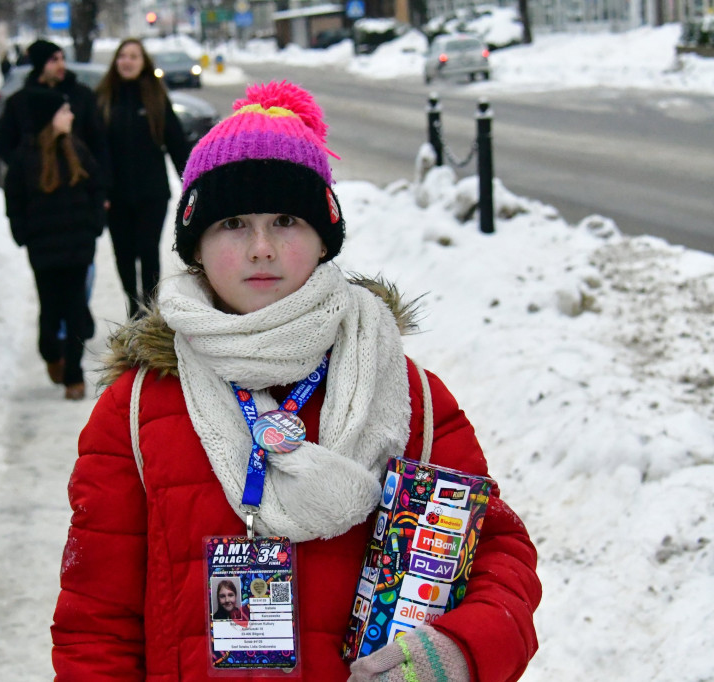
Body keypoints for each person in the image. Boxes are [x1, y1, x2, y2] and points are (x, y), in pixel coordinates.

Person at [51, 82, 541, 679]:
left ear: (323, 237)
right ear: (196, 246)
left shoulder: (405, 394)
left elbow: (496, 553)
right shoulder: (137, 409)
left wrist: (463, 648)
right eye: (233, 222)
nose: (262, 248)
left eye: (285, 220)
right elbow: (96, 621)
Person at [3, 90, 105, 401]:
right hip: (44, 252)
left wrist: (93, 227)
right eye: (64, 111)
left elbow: (95, 189)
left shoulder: (77, 150)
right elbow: (14, 201)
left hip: (77, 248)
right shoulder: (24, 159)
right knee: (50, 311)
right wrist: (24, 235)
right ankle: (51, 353)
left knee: (75, 312)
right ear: (50, 118)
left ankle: (74, 376)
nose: (71, 116)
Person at [96, 38, 190, 318]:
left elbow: (176, 143)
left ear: (143, 62)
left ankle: (150, 313)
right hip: (115, 196)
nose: (127, 61)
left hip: (152, 193)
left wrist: (192, 182)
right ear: (116, 61)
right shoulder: (102, 99)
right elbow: (93, 149)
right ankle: (132, 310)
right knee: (123, 254)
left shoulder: (155, 97)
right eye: (122, 56)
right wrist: (98, 191)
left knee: (148, 252)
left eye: (133, 56)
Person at [0, 40, 109, 186]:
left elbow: (98, 140)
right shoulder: (20, 101)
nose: (61, 65)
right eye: (54, 60)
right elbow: (5, 143)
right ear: (40, 64)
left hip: (78, 182)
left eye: (62, 59)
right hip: (37, 186)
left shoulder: (82, 96)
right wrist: (25, 168)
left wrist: (100, 182)